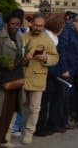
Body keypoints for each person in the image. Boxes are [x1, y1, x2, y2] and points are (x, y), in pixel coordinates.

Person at [0, 12, 24, 148]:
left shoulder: (19, 38)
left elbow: (19, 55)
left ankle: (2, 139)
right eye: (12, 24)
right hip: (1, 78)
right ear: (7, 24)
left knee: (10, 110)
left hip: (14, 79)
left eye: (18, 24)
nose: (15, 26)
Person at [21, 14, 58, 145]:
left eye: (41, 26)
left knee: (35, 108)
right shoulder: (23, 37)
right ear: (32, 24)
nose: (38, 28)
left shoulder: (48, 40)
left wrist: (45, 58)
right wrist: (24, 57)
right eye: (36, 25)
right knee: (16, 107)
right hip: (22, 76)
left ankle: (29, 132)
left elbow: (55, 58)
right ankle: (8, 132)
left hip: (38, 76)